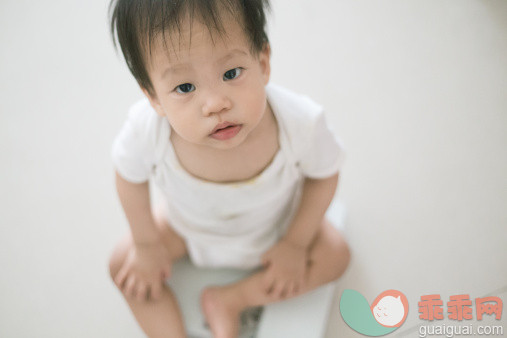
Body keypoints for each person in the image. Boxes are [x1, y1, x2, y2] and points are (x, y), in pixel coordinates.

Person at [107, 0, 351, 337]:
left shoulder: (300, 123)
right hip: (186, 229)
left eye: (231, 74)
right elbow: (128, 177)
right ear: (154, 97)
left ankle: (233, 299)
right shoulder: (147, 131)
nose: (215, 103)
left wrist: (296, 243)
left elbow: (324, 174)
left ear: (263, 63)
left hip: (277, 228)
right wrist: (147, 245)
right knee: (123, 263)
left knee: (335, 255)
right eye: (185, 88)